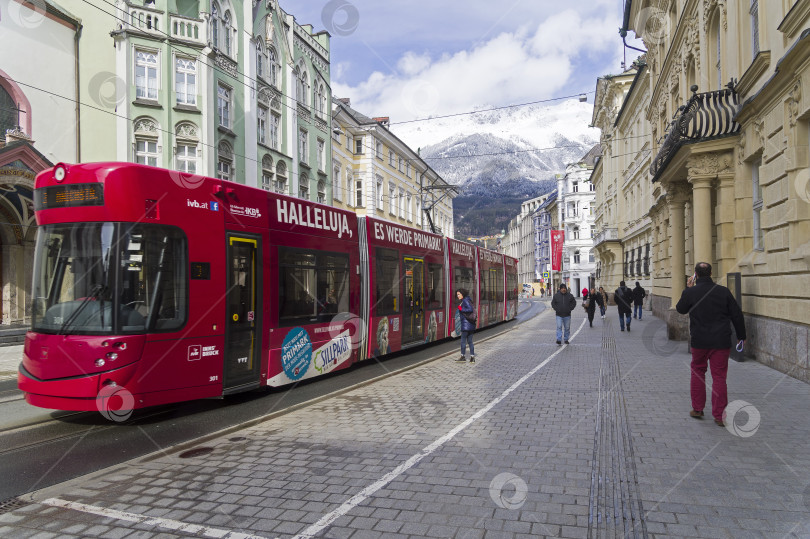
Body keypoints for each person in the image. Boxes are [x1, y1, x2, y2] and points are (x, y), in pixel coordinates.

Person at [676, 262, 746, 427]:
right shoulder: (723, 291)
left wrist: (687, 289)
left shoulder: (691, 292)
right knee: (719, 377)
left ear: (696, 274)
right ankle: (720, 415)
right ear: (711, 273)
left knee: (698, 373)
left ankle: (698, 409)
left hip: (699, 341)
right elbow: (736, 314)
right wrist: (741, 336)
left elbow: (680, 309)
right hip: (721, 341)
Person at [455, 289, 476, 363]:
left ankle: (462, 357)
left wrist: (461, 308)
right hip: (471, 324)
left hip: (466, 325)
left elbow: (469, 309)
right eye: (457, 294)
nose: (458, 296)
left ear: (462, 294)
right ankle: (472, 358)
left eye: (458, 294)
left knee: (463, 341)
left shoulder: (465, 301)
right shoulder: (468, 300)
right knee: (470, 341)